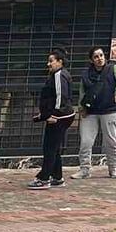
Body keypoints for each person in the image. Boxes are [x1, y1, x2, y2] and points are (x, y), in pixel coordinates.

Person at [72, 46, 116, 180]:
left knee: (111, 142)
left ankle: (114, 168)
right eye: (96, 57)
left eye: (101, 55)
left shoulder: (113, 69)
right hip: (91, 112)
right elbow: (82, 91)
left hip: (110, 111)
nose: (99, 59)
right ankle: (84, 169)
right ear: (91, 60)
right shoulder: (86, 74)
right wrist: (81, 107)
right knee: (86, 142)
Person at [28, 48, 76, 190]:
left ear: (60, 62)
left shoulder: (59, 75)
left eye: (51, 61)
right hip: (60, 116)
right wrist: (43, 116)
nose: (48, 64)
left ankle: (44, 178)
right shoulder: (58, 74)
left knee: (49, 148)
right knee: (53, 148)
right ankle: (57, 177)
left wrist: (55, 115)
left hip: (60, 117)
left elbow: (61, 97)